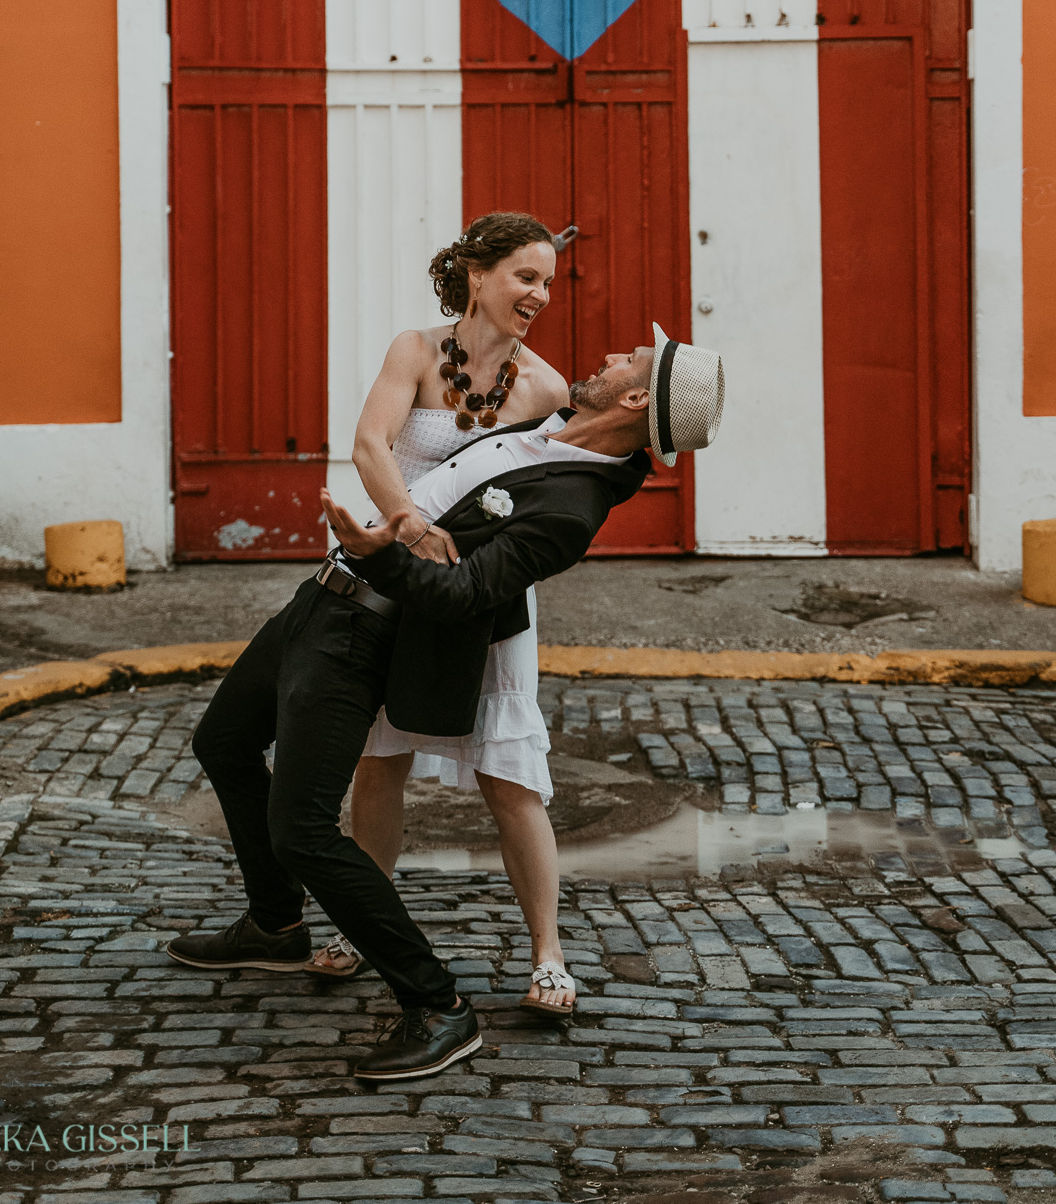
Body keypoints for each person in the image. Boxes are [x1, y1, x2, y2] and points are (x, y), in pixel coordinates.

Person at [168, 324, 724, 1084]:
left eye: (629, 360)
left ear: (635, 395)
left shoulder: (573, 508)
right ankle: (275, 922)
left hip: (370, 622)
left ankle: (436, 1006)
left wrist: (382, 556)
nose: (607, 356)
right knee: (223, 742)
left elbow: (466, 594)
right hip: (321, 597)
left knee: (301, 829)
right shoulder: (548, 425)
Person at [310, 212, 578, 1019]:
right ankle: (364, 926)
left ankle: (549, 955)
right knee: (378, 761)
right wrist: (413, 533)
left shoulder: (547, 388)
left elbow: (547, 501)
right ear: (475, 272)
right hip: (401, 581)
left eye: (547, 285)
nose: (538, 296)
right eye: (525, 277)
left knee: (508, 775)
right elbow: (369, 446)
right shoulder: (416, 353)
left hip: (489, 602)